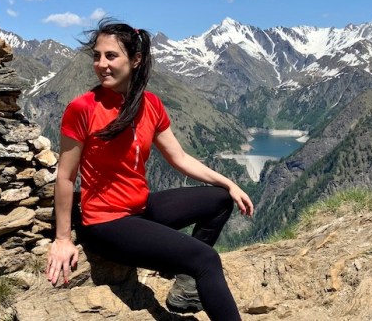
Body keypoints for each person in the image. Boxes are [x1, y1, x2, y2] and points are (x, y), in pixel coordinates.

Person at [45, 19, 253, 321]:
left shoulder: (150, 104)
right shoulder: (83, 108)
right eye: (97, 56)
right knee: (205, 259)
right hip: (106, 223)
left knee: (220, 200)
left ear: (136, 60)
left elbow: (179, 157)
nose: (101, 64)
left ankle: (184, 286)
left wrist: (229, 184)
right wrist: (63, 239)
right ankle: (191, 270)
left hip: (139, 208)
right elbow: (65, 177)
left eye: (111, 56)